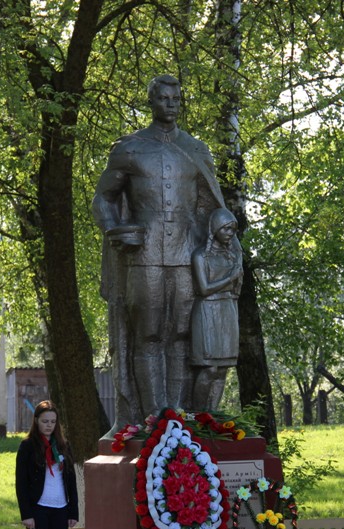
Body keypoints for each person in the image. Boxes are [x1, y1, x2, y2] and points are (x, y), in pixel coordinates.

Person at [91, 74, 225, 427]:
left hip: (187, 256)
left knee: (182, 336)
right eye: (164, 98)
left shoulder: (196, 149)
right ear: (151, 101)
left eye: (176, 99)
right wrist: (115, 230)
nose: (171, 104)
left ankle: (179, 417)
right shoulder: (129, 148)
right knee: (148, 335)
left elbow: (211, 206)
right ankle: (153, 419)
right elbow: (103, 199)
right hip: (143, 257)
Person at [15, 400, 80, 529]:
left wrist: (73, 511)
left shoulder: (63, 445)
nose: (49, 425)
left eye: (53, 421)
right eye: (45, 421)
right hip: (38, 510)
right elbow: (21, 483)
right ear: (36, 421)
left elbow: (71, 479)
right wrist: (26, 514)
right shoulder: (27, 446)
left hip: (60, 508)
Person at [190, 207, 242, 411]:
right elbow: (203, 289)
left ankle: (212, 415)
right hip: (207, 311)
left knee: (222, 369)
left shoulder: (231, 257)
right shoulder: (201, 256)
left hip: (227, 309)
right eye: (226, 229)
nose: (229, 233)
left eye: (233, 230)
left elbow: (236, 290)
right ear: (215, 228)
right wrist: (230, 278)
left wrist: (236, 280)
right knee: (209, 367)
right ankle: (198, 414)